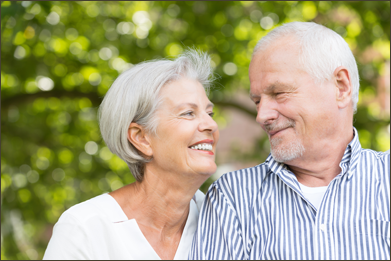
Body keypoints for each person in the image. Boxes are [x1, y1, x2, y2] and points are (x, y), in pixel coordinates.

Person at [189, 22, 390, 260]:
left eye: (279, 93)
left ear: (341, 87)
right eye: (257, 101)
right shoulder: (233, 197)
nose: (262, 116)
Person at [43, 49, 219, 260]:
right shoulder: (85, 229)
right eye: (188, 113)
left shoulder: (223, 219)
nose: (211, 124)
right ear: (141, 138)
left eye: (209, 113)